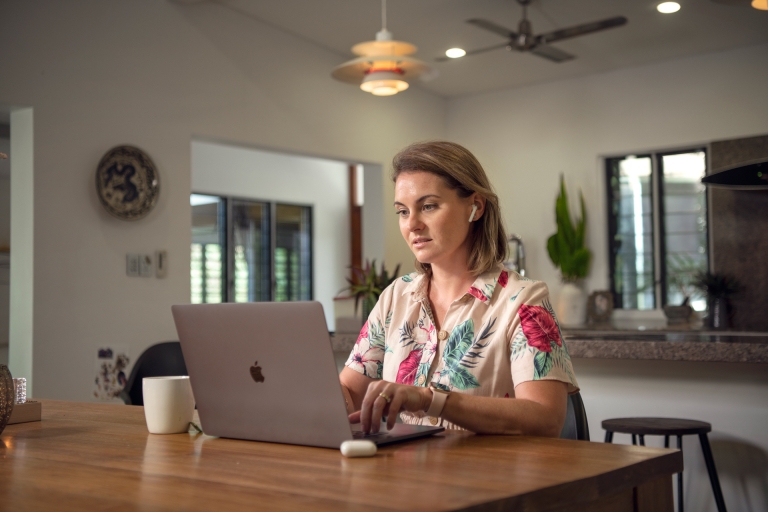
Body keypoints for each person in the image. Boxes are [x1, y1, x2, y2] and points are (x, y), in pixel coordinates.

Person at [340, 141, 579, 436]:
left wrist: (431, 400)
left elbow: (545, 418)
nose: (412, 224)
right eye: (403, 211)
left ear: (475, 207)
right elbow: (350, 390)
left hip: (486, 478)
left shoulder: (523, 300)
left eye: (428, 206)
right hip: (401, 477)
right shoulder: (395, 297)